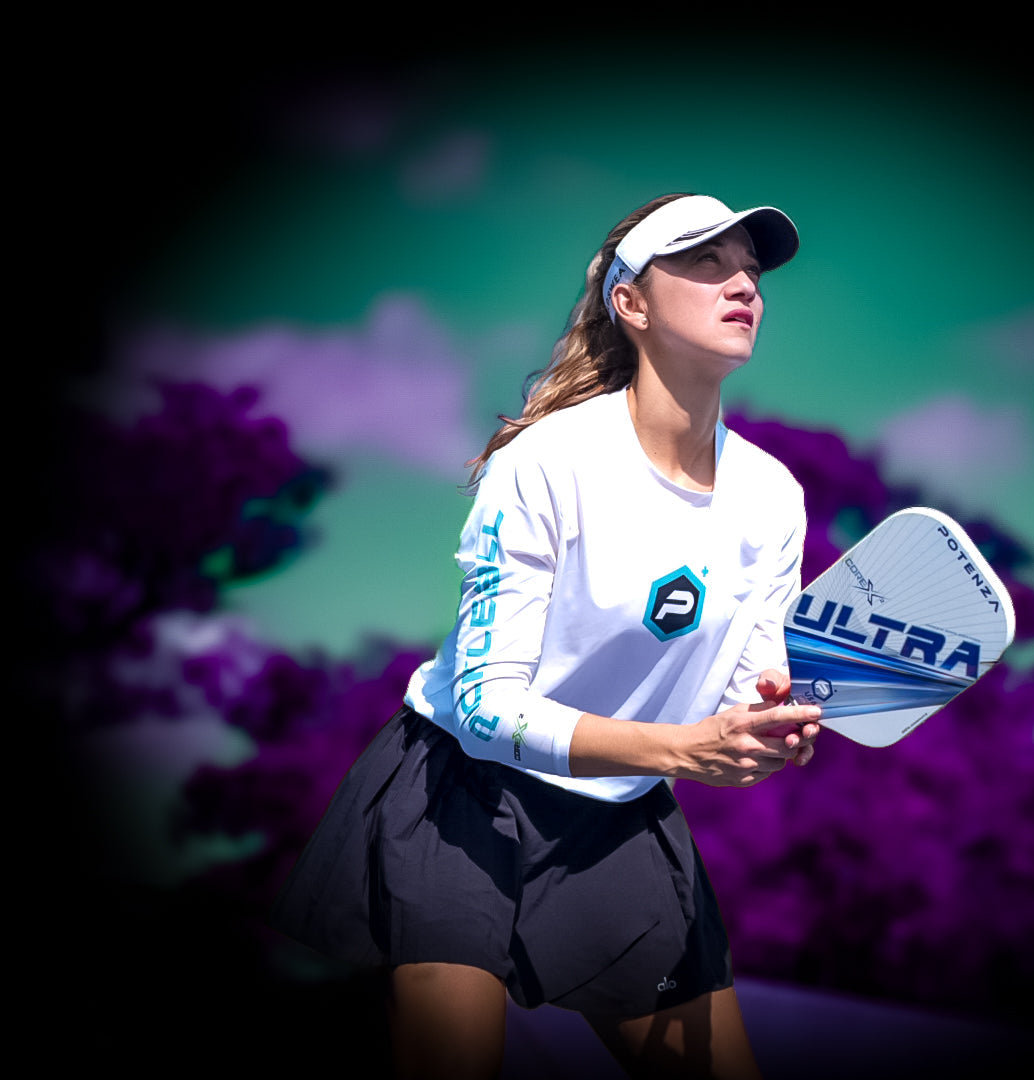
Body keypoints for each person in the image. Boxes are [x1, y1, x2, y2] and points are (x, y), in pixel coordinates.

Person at [272, 193, 823, 1079]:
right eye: (706, 263)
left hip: (620, 812)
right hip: (462, 793)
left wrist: (760, 735)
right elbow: (485, 708)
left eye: (751, 272)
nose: (743, 287)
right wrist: (681, 750)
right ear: (630, 303)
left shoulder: (773, 497)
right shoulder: (545, 460)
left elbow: (742, 692)